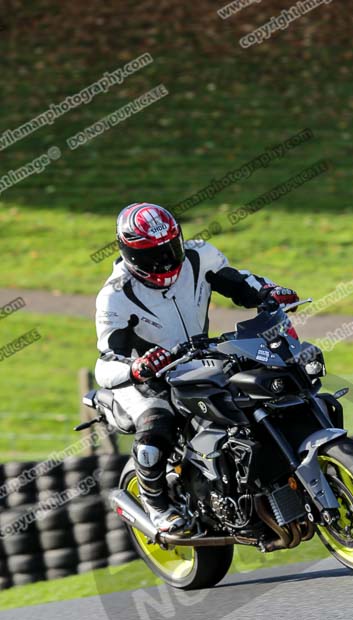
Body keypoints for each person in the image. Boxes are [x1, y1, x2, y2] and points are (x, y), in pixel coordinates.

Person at [95, 202, 299, 534]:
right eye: (152, 255)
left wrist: (268, 291)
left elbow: (240, 284)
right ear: (130, 254)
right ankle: (156, 504)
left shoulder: (198, 257)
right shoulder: (116, 296)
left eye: (170, 247)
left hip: (199, 357)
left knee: (255, 390)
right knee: (157, 423)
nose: (166, 259)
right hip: (149, 377)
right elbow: (105, 362)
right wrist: (138, 367)